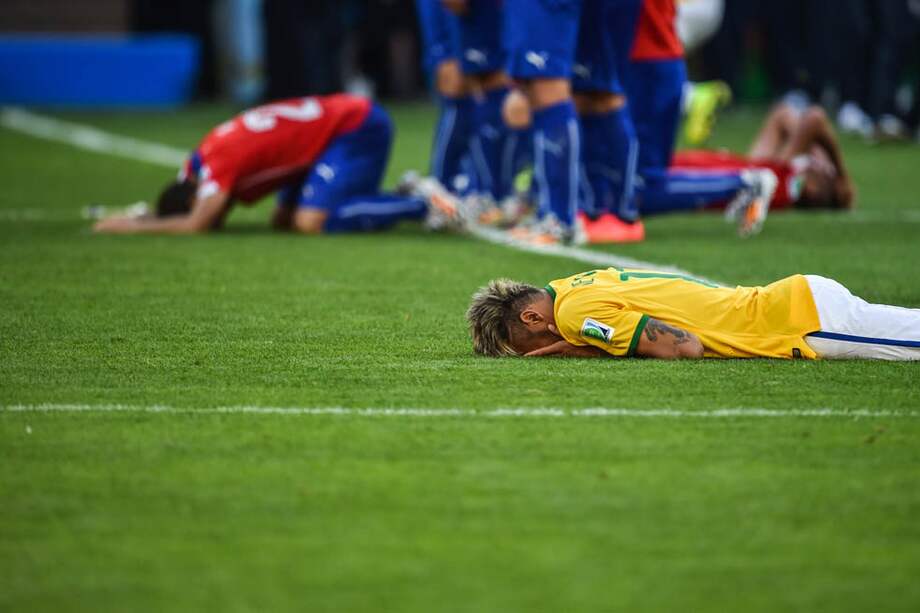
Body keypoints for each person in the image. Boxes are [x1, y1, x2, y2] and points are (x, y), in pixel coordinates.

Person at [94, 95, 448, 235]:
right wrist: (151, 215)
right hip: (326, 136)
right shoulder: (199, 161)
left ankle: (422, 204)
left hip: (356, 125)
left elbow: (196, 223)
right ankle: (397, 196)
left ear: (192, 197)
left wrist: (131, 227)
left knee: (310, 222)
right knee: (283, 220)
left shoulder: (215, 166)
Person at [467, 267, 920, 360]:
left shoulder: (572, 314)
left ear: (531, 319)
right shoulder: (573, 285)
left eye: (529, 345)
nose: (540, 350)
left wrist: (574, 346)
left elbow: (684, 347)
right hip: (796, 303)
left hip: (801, 322)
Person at [672, 103, 855, 210]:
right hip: (736, 175)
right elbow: (784, 116)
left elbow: (814, 119)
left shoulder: (777, 180)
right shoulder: (770, 176)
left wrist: (841, 176)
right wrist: (833, 168)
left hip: (674, 171)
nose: (817, 164)